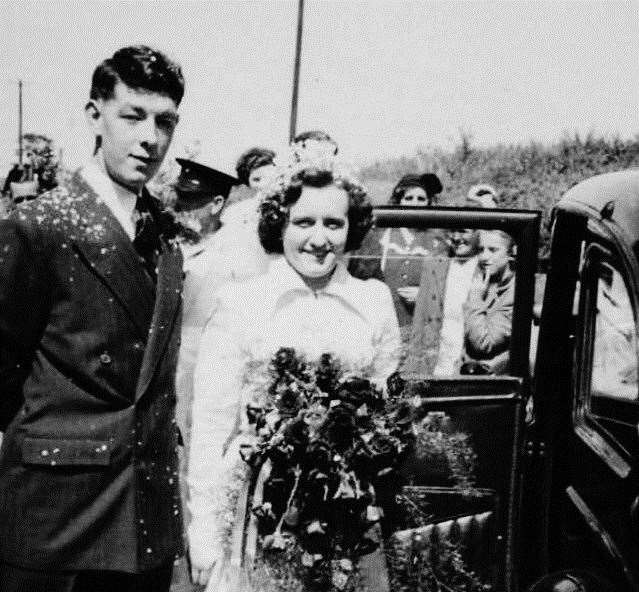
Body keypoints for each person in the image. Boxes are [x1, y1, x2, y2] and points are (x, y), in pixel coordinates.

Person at [0, 45, 185, 592]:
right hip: (56, 510)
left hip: (143, 508)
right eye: (133, 116)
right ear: (94, 115)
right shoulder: (39, 225)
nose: (150, 137)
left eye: (165, 121)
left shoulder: (167, 232)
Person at [187, 166, 400, 588]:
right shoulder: (241, 301)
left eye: (333, 224)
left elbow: (383, 408)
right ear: (279, 225)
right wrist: (204, 533)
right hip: (259, 504)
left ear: (351, 228)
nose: (319, 239)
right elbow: (211, 427)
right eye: (303, 222)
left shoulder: (373, 300)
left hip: (345, 510)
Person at [172, 158, 238, 446]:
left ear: (216, 203)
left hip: (209, 382)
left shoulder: (237, 253)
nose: (182, 211)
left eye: (192, 203)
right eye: (180, 200)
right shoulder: (168, 244)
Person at [458, 229, 516, 375]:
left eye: (493, 250)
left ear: (510, 254)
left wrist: (476, 297)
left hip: (493, 380)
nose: (484, 257)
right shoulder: (483, 281)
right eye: (481, 250)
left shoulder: (513, 292)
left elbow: (483, 344)